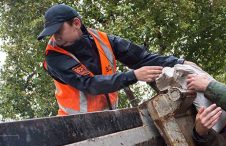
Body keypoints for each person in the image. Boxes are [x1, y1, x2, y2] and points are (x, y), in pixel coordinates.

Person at [37, 4, 191, 115]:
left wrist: (179, 62)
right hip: (75, 124)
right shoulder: (54, 57)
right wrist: (134, 76)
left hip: (108, 116)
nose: (55, 36)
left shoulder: (102, 40)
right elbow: (89, 84)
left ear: (76, 23)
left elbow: (141, 58)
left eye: (58, 30)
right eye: (52, 32)